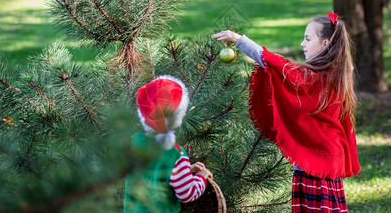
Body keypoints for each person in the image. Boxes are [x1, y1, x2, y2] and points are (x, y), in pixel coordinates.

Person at [212, 11, 360, 212]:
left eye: (308, 39)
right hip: (326, 162)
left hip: (315, 165)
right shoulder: (337, 73)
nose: (302, 44)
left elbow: (279, 66)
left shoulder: (316, 79)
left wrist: (240, 40)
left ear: (325, 44)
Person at [124, 75, 213, 213]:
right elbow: (186, 194)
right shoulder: (175, 154)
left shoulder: (133, 141)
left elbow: (153, 172)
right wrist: (202, 176)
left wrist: (186, 170)